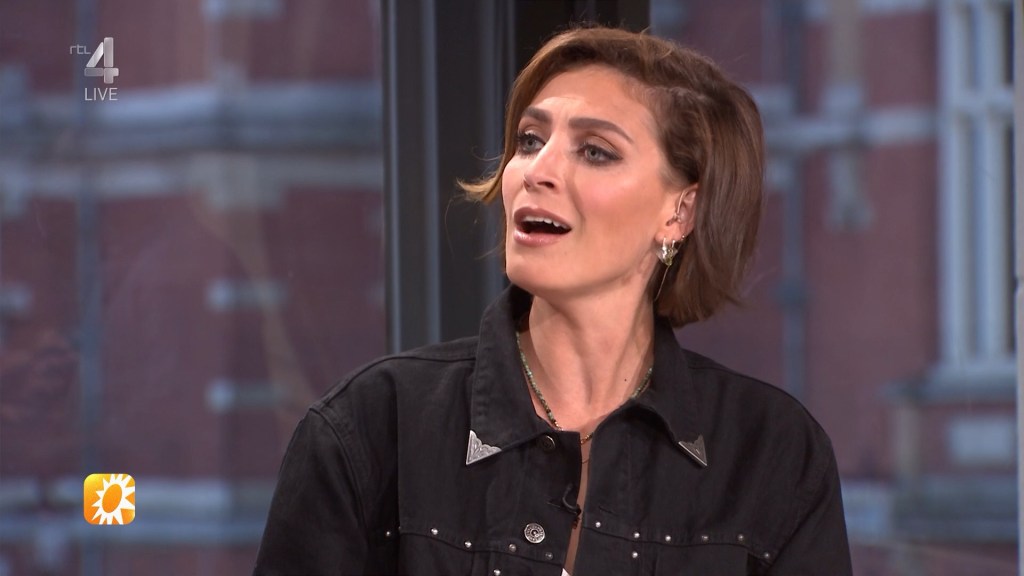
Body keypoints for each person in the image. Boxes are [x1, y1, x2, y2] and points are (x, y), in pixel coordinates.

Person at [254, 25, 852, 575]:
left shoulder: (775, 455)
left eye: (595, 151)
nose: (536, 171)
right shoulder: (369, 429)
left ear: (680, 212)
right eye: (530, 140)